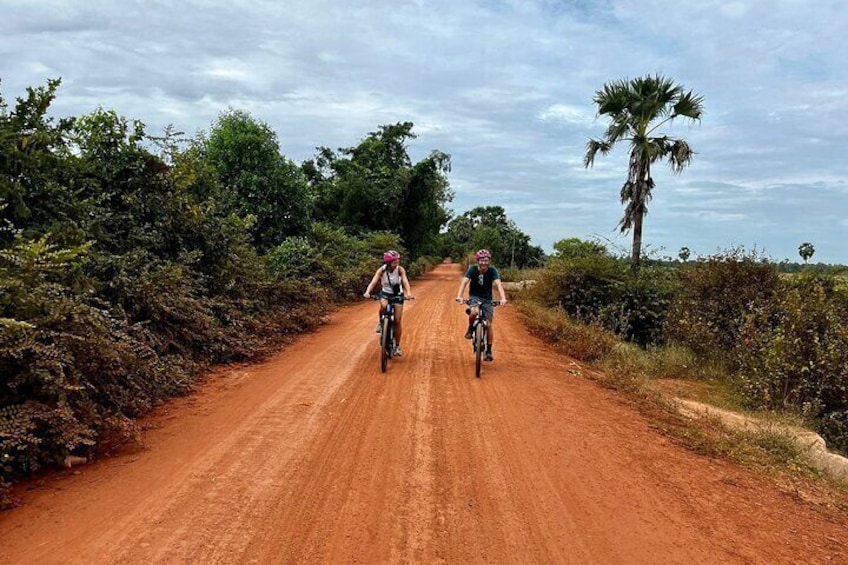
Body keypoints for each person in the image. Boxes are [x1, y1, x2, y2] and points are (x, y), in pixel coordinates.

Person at [455, 249, 507, 362]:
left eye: (486, 260)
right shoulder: (472, 269)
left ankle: (488, 350)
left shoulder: (493, 270)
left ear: (489, 261)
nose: (484, 263)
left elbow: (498, 284)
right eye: (482, 260)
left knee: (488, 325)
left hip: (487, 299)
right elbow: (464, 282)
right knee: (473, 312)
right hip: (474, 297)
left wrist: (503, 298)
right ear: (478, 261)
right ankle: (470, 328)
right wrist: (459, 296)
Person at [364, 250, 414, 356]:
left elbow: (405, 281)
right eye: (394, 261)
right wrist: (367, 292)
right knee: (383, 306)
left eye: (397, 260)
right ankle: (380, 322)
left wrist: (408, 293)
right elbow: (373, 282)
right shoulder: (381, 270)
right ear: (388, 262)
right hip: (385, 293)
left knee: (397, 320)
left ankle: (397, 346)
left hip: (397, 295)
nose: (397, 263)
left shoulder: (400, 270)